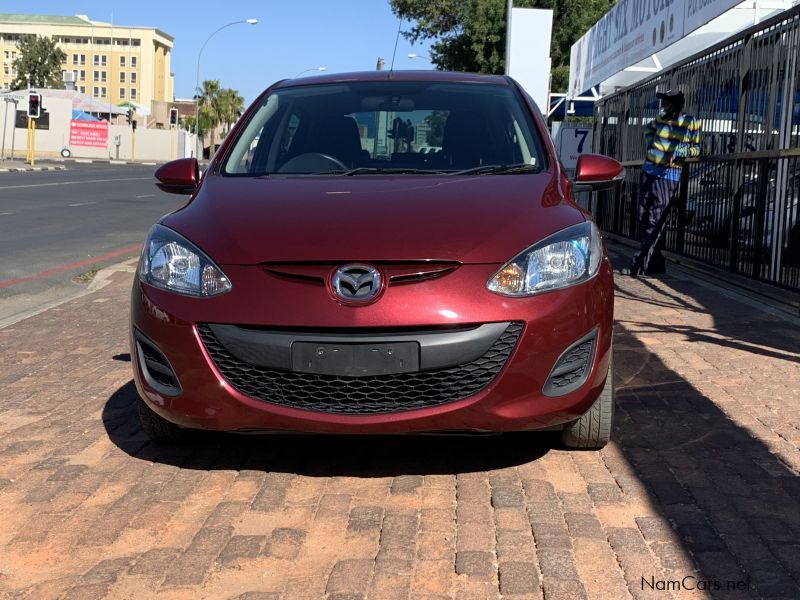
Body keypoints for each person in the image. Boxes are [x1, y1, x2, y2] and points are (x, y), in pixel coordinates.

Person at [625, 89, 701, 277]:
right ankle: (656, 263)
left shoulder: (691, 122)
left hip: (669, 175)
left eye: (666, 101)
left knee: (655, 218)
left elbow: (697, 148)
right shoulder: (659, 120)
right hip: (648, 170)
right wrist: (652, 145)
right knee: (642, 215)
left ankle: (639, 265)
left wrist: (678, 153)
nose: (662, 105)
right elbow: (648, 129)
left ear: (674, 104)